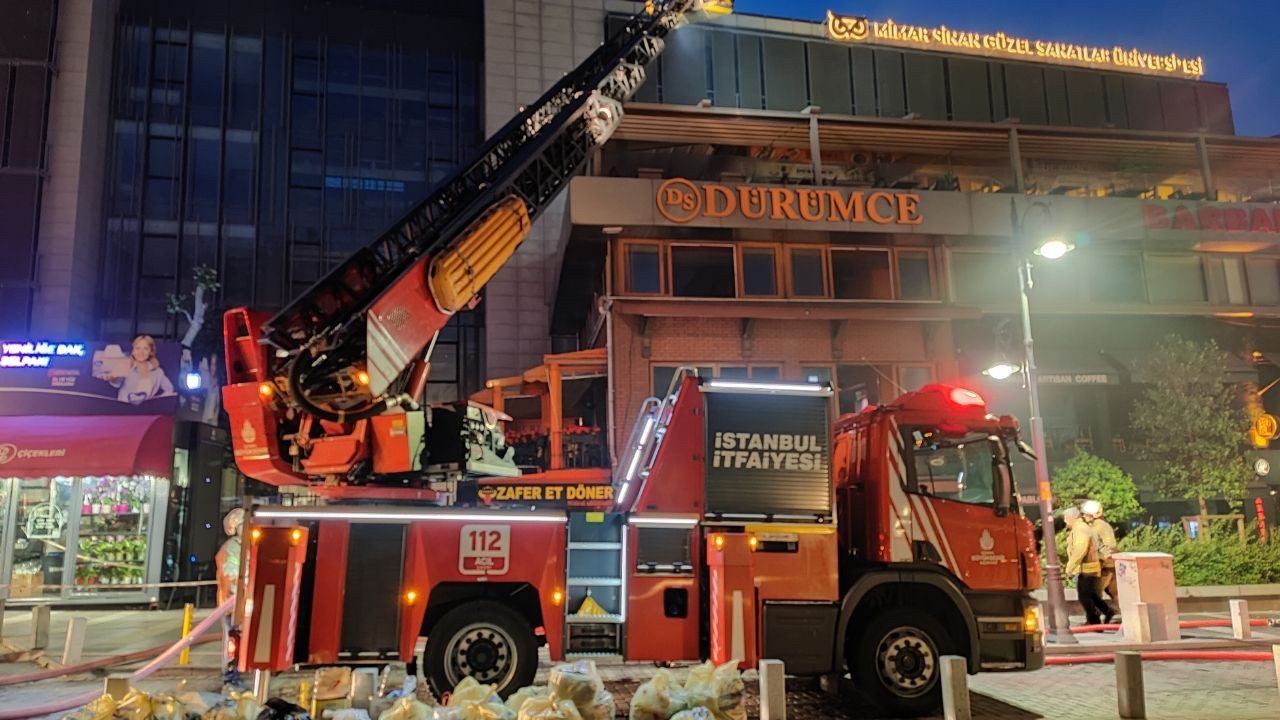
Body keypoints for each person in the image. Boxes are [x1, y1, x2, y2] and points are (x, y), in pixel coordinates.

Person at [1064, 506, 1114, 626]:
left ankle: (1094, 621)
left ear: (1071, 517)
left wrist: (1070, 567)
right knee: (1091, 594)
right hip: (1089, 567)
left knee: (1084, 596)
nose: (1065, 521)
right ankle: (1107, 612)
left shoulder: (1080, 529)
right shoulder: (1081, 528)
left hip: (1086, 568)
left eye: (1066, 518)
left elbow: (1080, 550)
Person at [215, 508, 245, 689]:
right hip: (231, 603)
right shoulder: (230, 548)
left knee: (241, 640)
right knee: (233, 641)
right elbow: (229, 572)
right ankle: (230, 675)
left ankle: (236, 671)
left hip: (243, 602)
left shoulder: (248, 545)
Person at [105, 335, 175, 405]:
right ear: (133, 351)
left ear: (151, 352)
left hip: (146, 411)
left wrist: (155, 403)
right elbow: (116, 384)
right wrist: (113, 378)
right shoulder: (126, 366)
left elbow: (170, 389)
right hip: (124, 410)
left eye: (145, 349)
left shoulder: (158, 372)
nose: (141, 352)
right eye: (138, 348)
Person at [1082, 499, 1119, 606]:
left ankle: (1095, 618)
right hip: (1107, 564)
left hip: (1103, 565)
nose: (1084, 516)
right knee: (1114, 592)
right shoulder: (1099, 526)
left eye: (1086, 514)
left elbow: (1109, 547)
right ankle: (1127, 616)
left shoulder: (1098, 526)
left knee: (1093, 592)